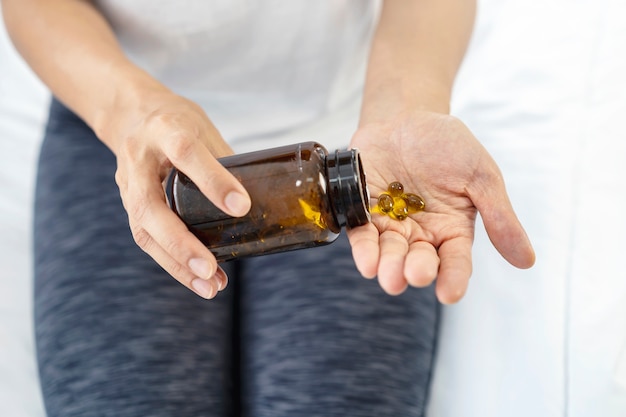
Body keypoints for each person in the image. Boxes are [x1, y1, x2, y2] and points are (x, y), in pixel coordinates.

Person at [3, 1, 534, 416]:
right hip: (125, 128)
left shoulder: (335, 191)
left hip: (362, 144)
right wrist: (128, 109)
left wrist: (407, 107)